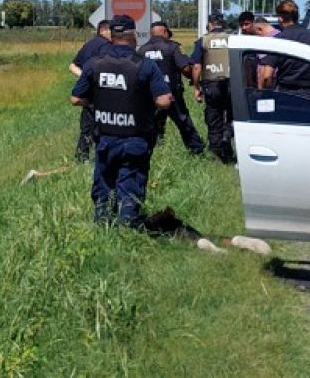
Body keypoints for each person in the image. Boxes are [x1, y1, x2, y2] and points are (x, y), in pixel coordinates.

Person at [70, 15, 172, 227]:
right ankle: (128, 226)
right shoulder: (145, 65)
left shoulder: (95, 64)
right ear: (133, 35)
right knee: (130, 184)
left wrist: (99, 100)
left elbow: (76, 99)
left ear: (111, 36)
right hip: (135, 138)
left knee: (103, 183)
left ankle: (103, 224)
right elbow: (163, 101)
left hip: (105, 138)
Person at [137, 21, 205, 154]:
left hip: (151, 96)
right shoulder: (172, 47)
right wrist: (192, 78)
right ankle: (196, 150)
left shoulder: (141, 50)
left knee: (152, 123)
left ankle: (151, 150)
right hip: (172, 93)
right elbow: (185, 67)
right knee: (183, 121)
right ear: (164, 32)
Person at [258, 0, 310, 107]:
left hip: (286, 97)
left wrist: (266, 97)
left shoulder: (278, 41)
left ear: (280, 18)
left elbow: (266, 76)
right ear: (297, 16)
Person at [191, 13, 235, 163]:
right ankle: (227, 135)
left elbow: (197, 67)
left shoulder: (203, 41)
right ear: (223, 24)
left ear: (210, 24)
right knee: (232, 115)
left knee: (213, 118)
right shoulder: (233, 39)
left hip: (211, 84)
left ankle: (217, 155)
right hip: (232, 84)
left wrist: (196, 87)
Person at [69, 19, 111, 162]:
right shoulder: (107, 46)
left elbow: (72, 66)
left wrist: (85, 78)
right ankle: (101, 159)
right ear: (103, 30)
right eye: (111, 30)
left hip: (87, 94)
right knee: (105, 128)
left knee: (86, 129)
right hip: (103, 92)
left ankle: (81, 159)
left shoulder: (88, 45)